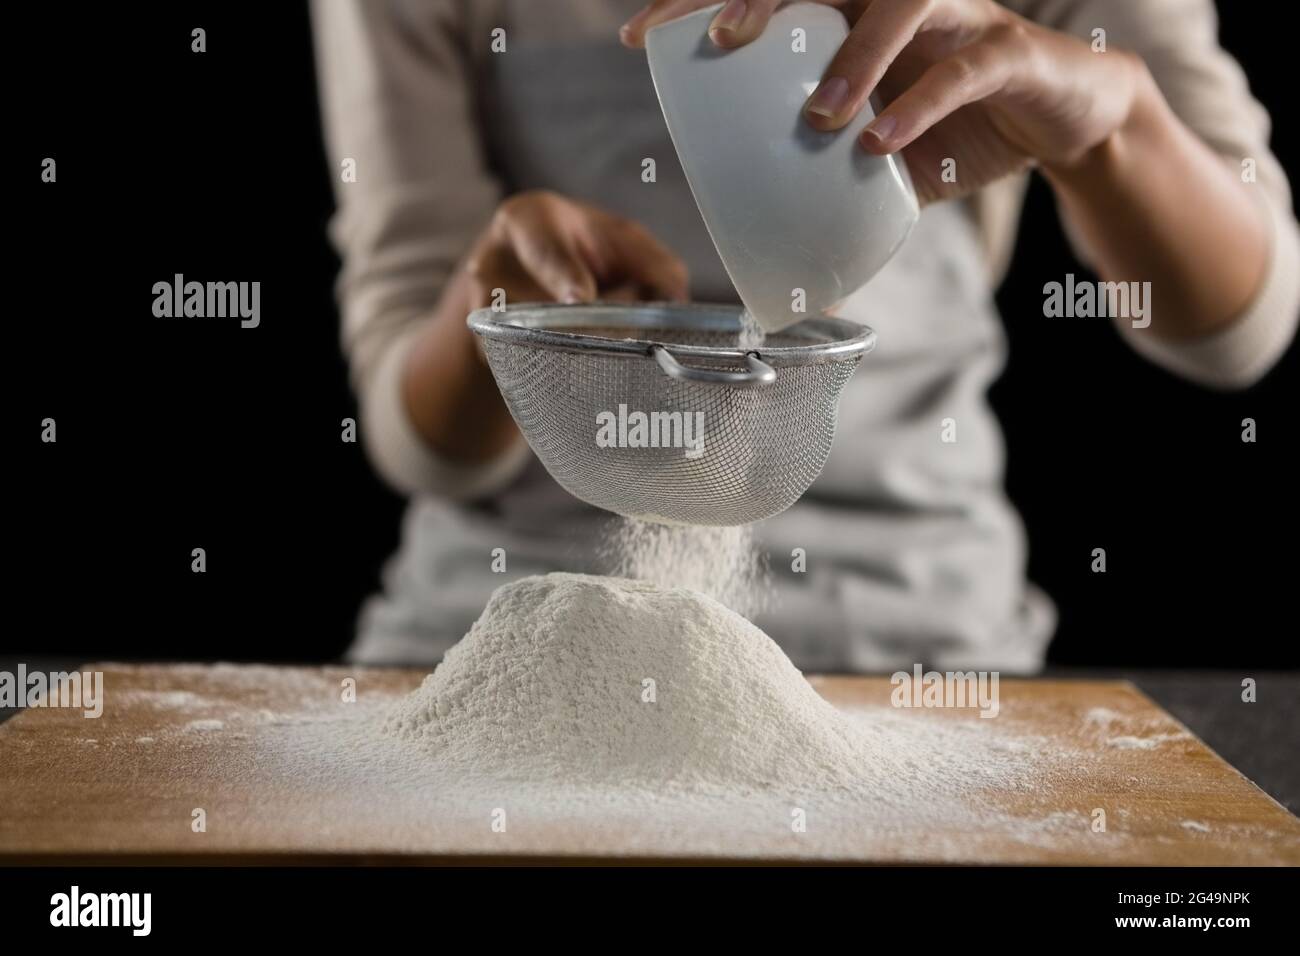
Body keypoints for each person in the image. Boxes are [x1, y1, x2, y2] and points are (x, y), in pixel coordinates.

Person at [311, 0, 1298, 671]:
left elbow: (1234, 325)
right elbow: (419, 441)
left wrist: (1107, 131)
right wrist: (504, 301)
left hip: (916, 632)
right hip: (515, 624)